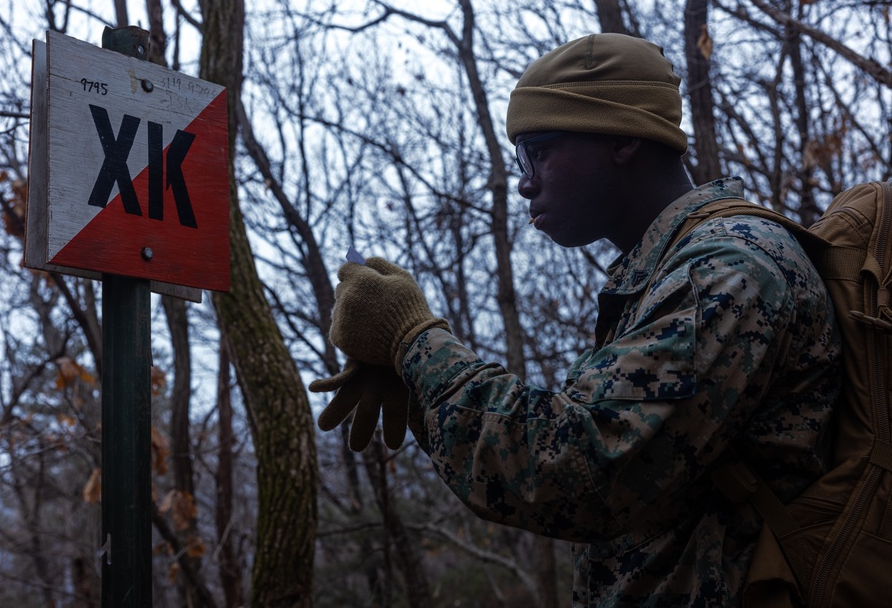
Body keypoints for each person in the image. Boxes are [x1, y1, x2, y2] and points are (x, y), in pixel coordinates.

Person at [311, 33, 842, 607]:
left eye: (538, 150)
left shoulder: (727, 269)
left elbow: (576, 470)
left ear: (621, 139)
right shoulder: (675, 272)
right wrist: (411, 370)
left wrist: (415, 344)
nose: (524, 181)